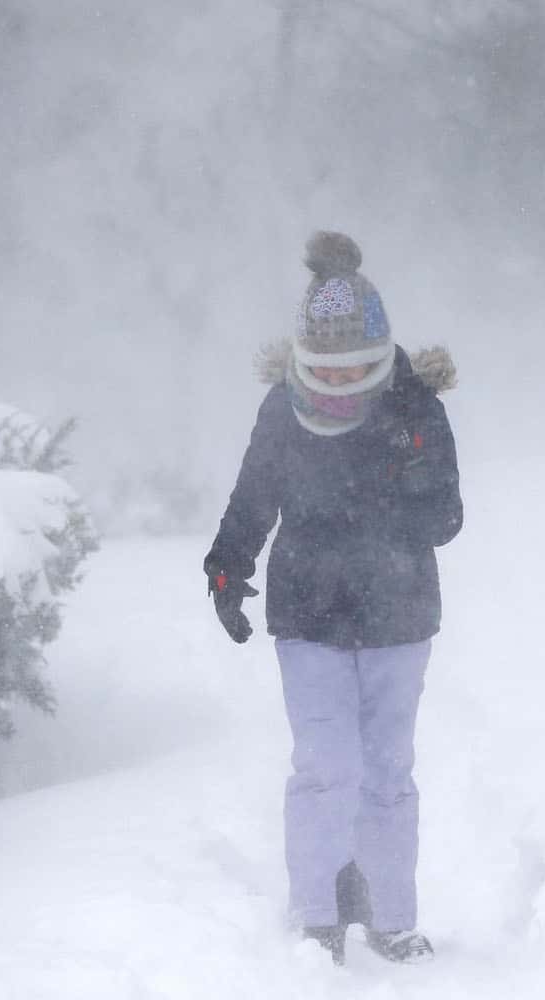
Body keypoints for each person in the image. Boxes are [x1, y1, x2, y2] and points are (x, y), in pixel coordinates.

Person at [204, 231, 463, 965]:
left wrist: (399, 482)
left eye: (355, 367)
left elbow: (446, 519)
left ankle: (389, 918)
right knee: (325, 764)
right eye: (329, 367)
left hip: (399, 617)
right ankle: (317, 918)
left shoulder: (417, 409)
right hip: (308, 614)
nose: (342, 380)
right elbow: (254, 496)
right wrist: (227, 564)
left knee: (386, 768)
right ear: (304, 359)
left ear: (380, 356)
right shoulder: (282, 410)